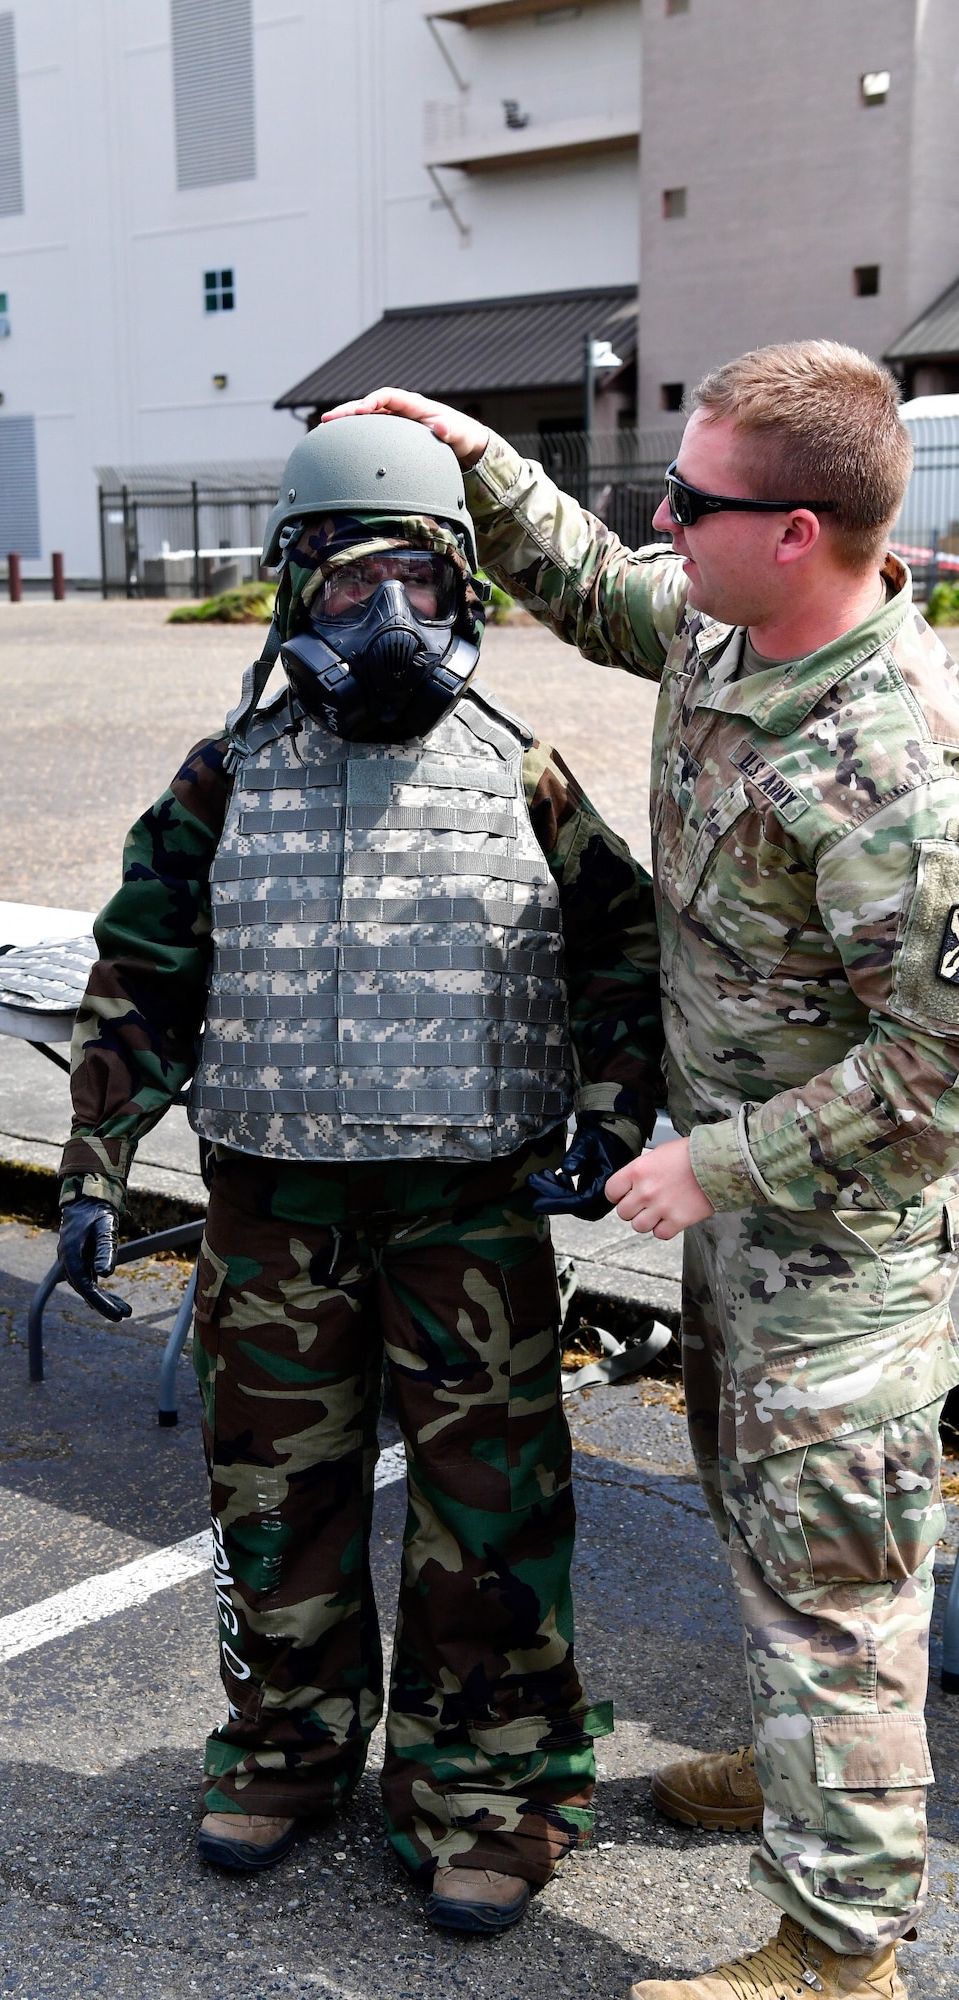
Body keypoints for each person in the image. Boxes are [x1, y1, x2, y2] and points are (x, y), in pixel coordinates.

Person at [328, 344, 959, 1999]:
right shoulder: (722, 621)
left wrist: (721, 1162)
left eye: (694, 501)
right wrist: (459, 445)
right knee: (765, 1537)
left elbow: (938, 1071)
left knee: (838, 1593)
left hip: (835, 1255)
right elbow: (592, 583)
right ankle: (802, 1777)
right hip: (741, 1229)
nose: (661, 520)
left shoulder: (893, 771)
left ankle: (839, 1953)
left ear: (800, 531)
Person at [56, 413, 664, 1934]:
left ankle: (491, 1789)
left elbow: (621, 944)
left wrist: (608, 1101)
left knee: (489, 1517)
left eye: (415, 579)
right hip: (273, 1215)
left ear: (465, 591)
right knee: (274, 1501)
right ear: (290, 592)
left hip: (469, 1214)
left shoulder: (520, 773)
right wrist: (94, 1160)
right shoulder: (225, 775)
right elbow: (140, 969)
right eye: (345, 585)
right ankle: (285, 1747)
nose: (382, 619)